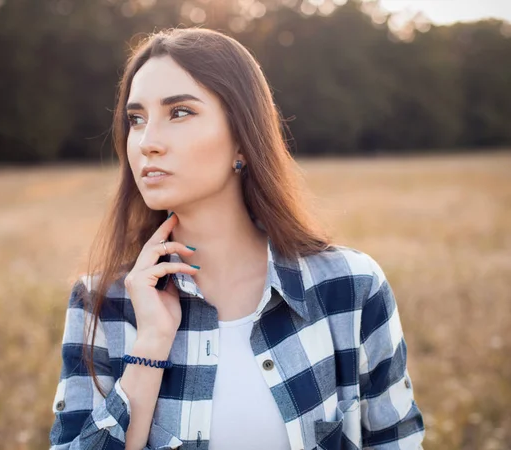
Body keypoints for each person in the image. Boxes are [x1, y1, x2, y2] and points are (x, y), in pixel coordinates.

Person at [48, 27, 425, 450]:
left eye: (180, 112)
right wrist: (149, 346)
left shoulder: (349, 286)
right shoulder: (101, 300)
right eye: (136, 120)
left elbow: (396, 441)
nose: (147, 143)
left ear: (243, 140)